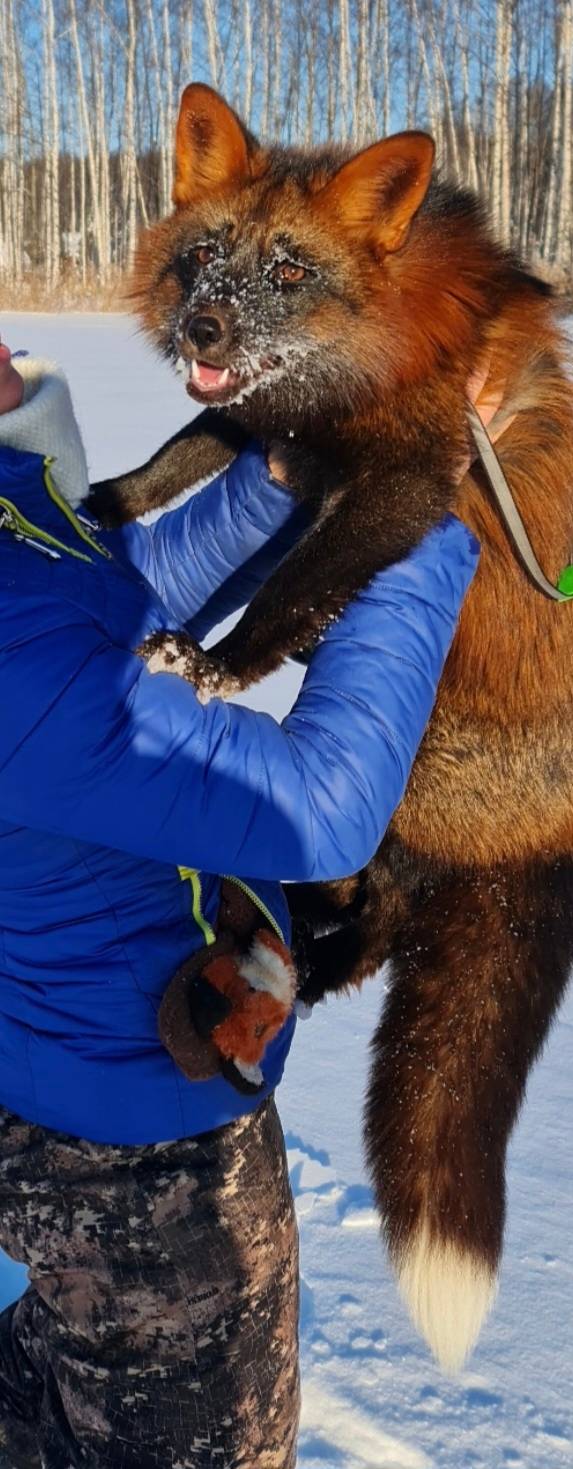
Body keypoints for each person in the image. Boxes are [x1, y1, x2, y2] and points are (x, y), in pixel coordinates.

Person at [0, 335, 485, 1469]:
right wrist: (417, 522)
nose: (12, 338)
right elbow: (318, 806)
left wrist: (289, 484)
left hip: (66, 1080)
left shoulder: (16, 518)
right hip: (138, 1180)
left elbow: (116, 605)